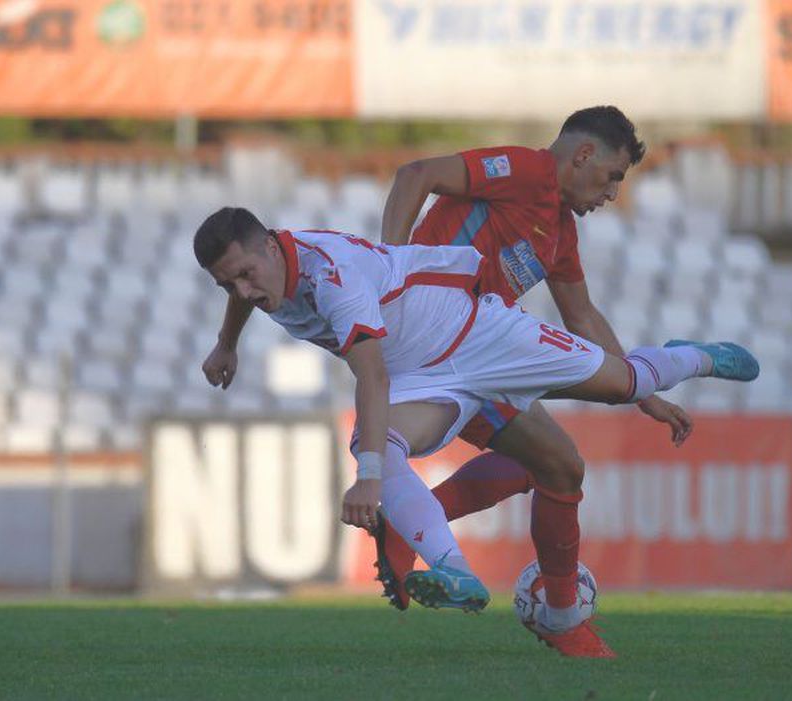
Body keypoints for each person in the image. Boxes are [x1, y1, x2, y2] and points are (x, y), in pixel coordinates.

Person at [206, 106, 688, 657]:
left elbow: (582, 318)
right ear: (582, 155)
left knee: (551, 465)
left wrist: (642, 394)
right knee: (558, 465)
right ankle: (558, 616)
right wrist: (395, 263)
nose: (611, 194)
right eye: (612, 177)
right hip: (442, 343)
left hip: (480, 352)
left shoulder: (558, 233)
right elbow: (417, 174)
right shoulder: (526, 171)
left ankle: (416, 533)